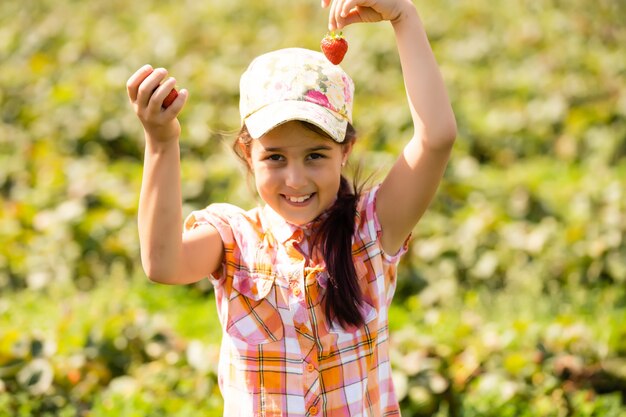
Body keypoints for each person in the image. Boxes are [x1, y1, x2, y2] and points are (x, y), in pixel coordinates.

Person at [126, 0, 455, 414]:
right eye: (275, 158)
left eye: (315, 155)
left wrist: (403, 17)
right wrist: (160, 141)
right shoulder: (234, 239)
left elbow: (436, 137)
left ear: (345, 150)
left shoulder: (371, 230)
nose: (295, 180)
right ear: (248, 155)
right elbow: (162, 262)